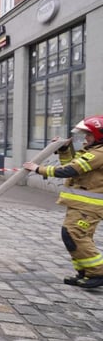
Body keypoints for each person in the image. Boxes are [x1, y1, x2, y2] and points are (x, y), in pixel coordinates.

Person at [23, 115, 103, 289]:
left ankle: (97, 272)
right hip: (81, 206)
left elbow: (68, 170)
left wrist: (37, 169)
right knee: (76, 236)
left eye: (89, 134)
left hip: (89, 207)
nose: (85, 138)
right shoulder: (92, 151)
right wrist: (65, 150)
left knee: (74, 235)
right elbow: (74, 167)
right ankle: (85, 272)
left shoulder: (99, 153)